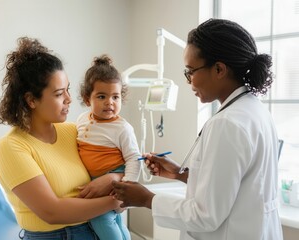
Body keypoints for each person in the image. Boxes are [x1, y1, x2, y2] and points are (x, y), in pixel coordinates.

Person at [112, 18, 283, 240]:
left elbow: (206, 215)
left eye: (190, 71)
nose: (189, 80)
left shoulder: (227, 124)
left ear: (219, 69)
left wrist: (147, 199)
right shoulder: (255, 110)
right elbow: (238, 187)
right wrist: (181, 175)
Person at [0, 37, 123, 240]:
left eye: (68, 90)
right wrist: (116, 201)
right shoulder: (12, 147)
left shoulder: (75, 132)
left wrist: (112, 178)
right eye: (59, 94)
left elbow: (118, 166)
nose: (69, 99)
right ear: (31, 100)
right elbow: (52, 212)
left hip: (99, 228)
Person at [76, 54, 141, 240]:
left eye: (115, 97)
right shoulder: (81, 120)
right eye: (102, 96)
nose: (110, 102)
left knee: (100, 219)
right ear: (87, 99)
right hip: (96, 179)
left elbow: (134, 158)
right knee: (116, 222)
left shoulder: (122, 128)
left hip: (113, 178)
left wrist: (127, 187)